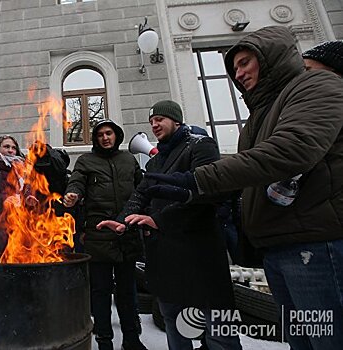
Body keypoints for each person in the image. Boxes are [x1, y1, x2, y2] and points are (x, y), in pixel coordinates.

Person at [142, 26, 343, 350]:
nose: (239, 72)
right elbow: (245, 181)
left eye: (246, 62)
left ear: (272, 60)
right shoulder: (261, 116)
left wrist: (195, 182)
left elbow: (292, 149)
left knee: (327, 340)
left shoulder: (319, 83)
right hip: (280, 247)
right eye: (234, 67)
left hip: (314, 246)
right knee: (303, 341)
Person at [98, 101, 241, 350]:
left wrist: (159, 220)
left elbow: (205, 193)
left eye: (160, 119)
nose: (154, 125)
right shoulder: (155, 162)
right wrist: (122, 221)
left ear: (177, 120)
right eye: (152, 121)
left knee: (218, 330)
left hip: (200, 254)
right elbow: (141, 195)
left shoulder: (201, 146)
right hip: (166, 257)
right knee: (174, 323)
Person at [63, 120, 146, 350]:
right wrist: (72, 194)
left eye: (109, 133)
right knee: (100, 293)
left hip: (127, 235)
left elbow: (142, 190)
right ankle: (104, 340)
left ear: (116, 136)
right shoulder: (86, 161)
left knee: (128, 292)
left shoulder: (129, 160)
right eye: (100, 135)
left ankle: (132, 339)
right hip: (98, 237)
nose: (105, 138)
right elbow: (76, 183)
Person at [0, 135, 25, 255]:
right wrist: (6, 200)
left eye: (13, 148)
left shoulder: (21, 168)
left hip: (17, 220)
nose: (10, 150)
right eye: (6, 146)